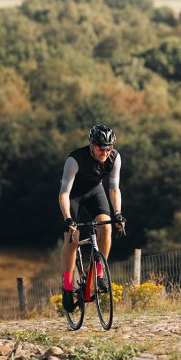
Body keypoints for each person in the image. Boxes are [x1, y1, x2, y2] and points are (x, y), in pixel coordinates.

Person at [59, 124, 125, 312]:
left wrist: (118, 213)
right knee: (72, 240)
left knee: (106, 227)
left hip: (95, 192)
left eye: (108, 147)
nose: (105, 151)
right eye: (100, 147)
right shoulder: (75, 160)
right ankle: (67, 286)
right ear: (91, 144)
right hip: (73, 196)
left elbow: (113, 189)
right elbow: (63, 194)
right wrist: (68, 218)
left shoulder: (114, 157)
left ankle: (100, 273)